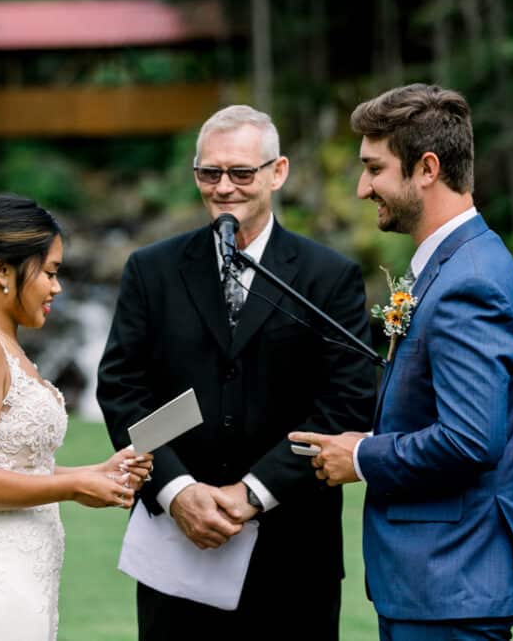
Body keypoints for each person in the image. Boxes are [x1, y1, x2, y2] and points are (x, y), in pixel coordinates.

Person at [97, 105, 376, 640]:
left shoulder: (329, 276)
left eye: (242, 173)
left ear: (278, 172)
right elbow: (122, 389)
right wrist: (177, 490)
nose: (224, 187)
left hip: (294, 554)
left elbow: (347, 402)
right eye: (210, 173)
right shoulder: (151, 270)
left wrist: (252, 493)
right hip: (176, 552)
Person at [290, 84, 513, 640]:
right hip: (435, 582)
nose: (362, 188)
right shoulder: (454, 264)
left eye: (374, 169)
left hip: (450, 579)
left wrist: (362, 457)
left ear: (427, 168)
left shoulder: (470, 284)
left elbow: (470, 439)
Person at [0, 194, 153, 641]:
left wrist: (92, 474)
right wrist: (73, 487)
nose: (56, 288)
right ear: (2, 270)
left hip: (23, 573)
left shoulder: (1, 344)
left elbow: (12, 464)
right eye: (49, 272)